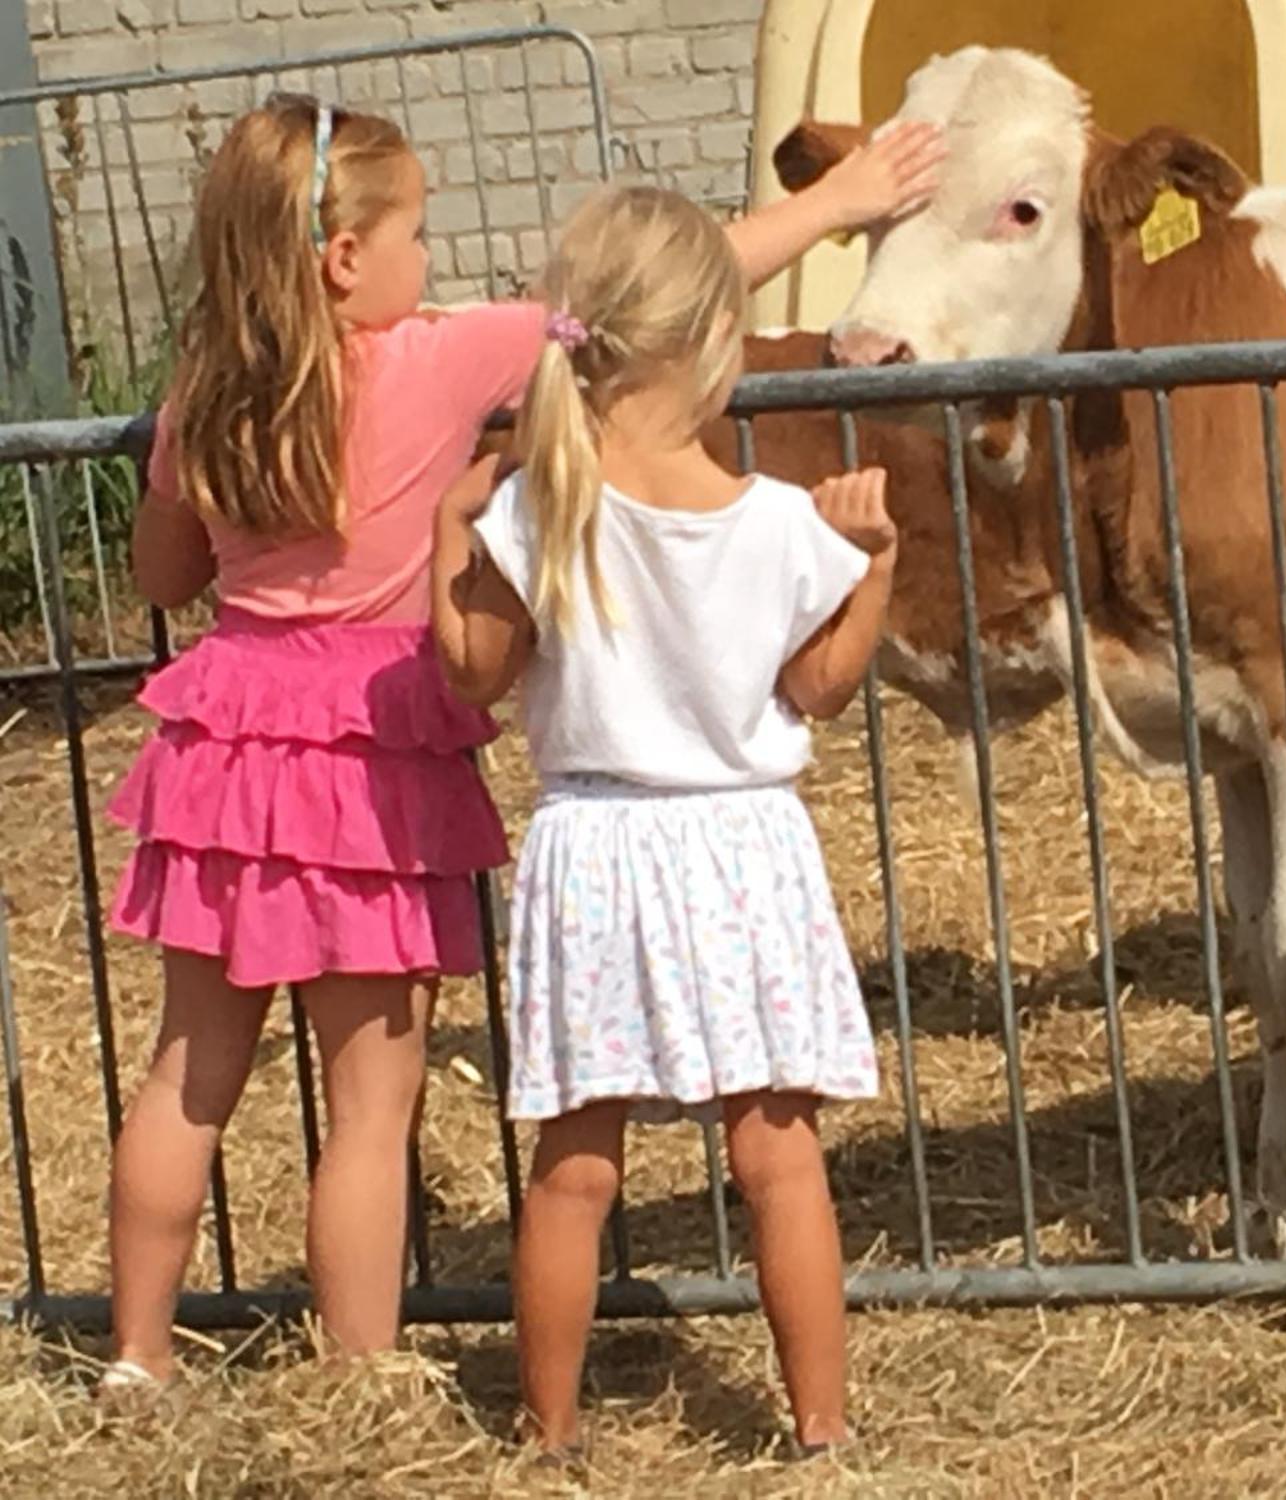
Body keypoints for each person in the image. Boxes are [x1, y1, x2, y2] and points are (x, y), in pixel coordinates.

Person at [104, 93, 940, 1394]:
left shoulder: (199, 390)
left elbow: (163, 577)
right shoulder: (435, 359)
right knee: (371, 1110)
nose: (432, 263)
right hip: (368, 758)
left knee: (186, 1076)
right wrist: (836, 206)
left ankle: (138, 1356)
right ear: (345, 258)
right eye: (420, 235)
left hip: (223, 753)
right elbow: (638, 305)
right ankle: (362, 1371)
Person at [429, 183, 894, 1458]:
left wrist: (445, 533)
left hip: (595, 850)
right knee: (779, 1160)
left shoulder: (539, 510)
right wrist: (878, 568)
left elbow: (470, 672)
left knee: (573, 1173)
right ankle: (820, 1429)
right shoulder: (789, 529)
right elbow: (819, 689)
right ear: (715, 347)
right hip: (746, 849)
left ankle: (551, 1431)